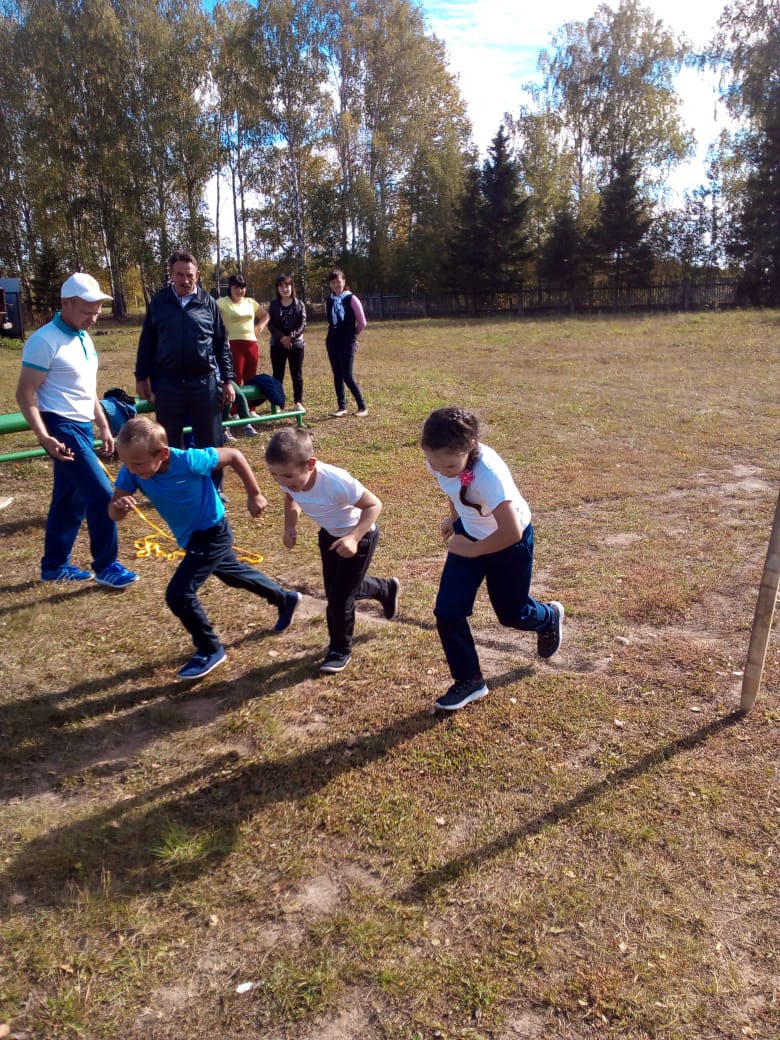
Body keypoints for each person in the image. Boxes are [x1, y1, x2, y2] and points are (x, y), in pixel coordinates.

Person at [109, 417, 301, 680]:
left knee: (179, 594)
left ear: (162, 454)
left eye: (138, 463)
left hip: (212, 531)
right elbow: (114, 513)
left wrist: (254, 494)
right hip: (191, 537)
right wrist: (118, 508)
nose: (131, 469)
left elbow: (233, 455)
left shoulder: (187, 460)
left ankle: (210, 649)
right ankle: (285, 599)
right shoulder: (132, 471)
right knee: (232, 574)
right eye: (126, 463)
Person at [421, 407, 564, 712]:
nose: (440, 470)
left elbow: (510, 531)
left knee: (512, 613)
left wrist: (474, 550)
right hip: (470, 534)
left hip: (509, 544)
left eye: (449, 465)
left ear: (470, 445)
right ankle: (469, 680)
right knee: (448, 611)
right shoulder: (440, 459)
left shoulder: (488, 475)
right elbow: (451, 486)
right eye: (434, 463)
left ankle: (548, 617)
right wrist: (454, 516)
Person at [15, 273, 139, 588]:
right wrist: (44, 437)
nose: (93, 317)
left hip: (83, 424)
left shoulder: (84, 337)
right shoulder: (44, 341)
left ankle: (54, 566)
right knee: (100, 493)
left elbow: (87, 389)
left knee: (70, 498)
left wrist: (103, 424)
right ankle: (107, 564)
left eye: (97, 310)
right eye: (87, 311)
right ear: (66, 304)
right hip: (61, 426)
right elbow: (25, 394)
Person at [265, 427, 399, 673]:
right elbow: (290, 499)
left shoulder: (336, 481)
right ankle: (385, 588)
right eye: (274, 475)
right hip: (329, 535)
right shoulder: (289, 478)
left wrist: (354, 537)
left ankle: (340, 649)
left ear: (311, 464)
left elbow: (373, 505)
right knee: (338, 589)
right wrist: (289, 527)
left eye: (288, 476)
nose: (282, 482)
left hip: (360, 536)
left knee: (338, 599)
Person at [135, 251, 235, 485]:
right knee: (167, 441)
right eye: (179, 274)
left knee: (210, 441)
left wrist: (228, 379)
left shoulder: (208, 303)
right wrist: (141, 376)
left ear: (197, 275)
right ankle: (173, 485)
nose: (185, 279)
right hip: (168, 383)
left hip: (204, 383)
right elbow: (147, 342)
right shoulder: (159, 302)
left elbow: (222, 344)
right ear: (171, 274)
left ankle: (215, 488)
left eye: (189, 275)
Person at [216, 272, 269, 438]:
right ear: (230, 288)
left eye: (242, 287)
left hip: (251, 343)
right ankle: (234, 411)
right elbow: (210, 316)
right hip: (232, 344)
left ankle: (250, 409)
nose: (239, 290)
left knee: (250, 377)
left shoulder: (250, 302)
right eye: (236, 287)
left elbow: (266, 315)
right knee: (235, 378)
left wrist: (259, 327)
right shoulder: (222, 303)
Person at [325, 268, 367, 418]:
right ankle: (341, 406)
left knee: (347, 375)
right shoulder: (329, 300)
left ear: (344, 281)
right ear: (330, 284)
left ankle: (362, 406)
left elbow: (362, 322)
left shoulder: (351, 299)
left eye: (339, 281)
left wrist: (353, 335)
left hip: (347, 340)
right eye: (333, 282)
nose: (336, 284)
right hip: (332, 340)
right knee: (337, 374)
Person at [267, 273, 306, 411]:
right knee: (278, 374)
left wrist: (290, 337)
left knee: (297, 374)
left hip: (296, 345)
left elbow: (302, 324)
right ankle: (277, 402)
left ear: (292, 287)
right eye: (282, 286)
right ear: (277, 288)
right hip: (277, 345)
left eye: (287, 285)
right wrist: (282, 338)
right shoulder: (273, 305)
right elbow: (270, 325)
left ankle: (298, 402)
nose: (285, 289)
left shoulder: (299, 304)